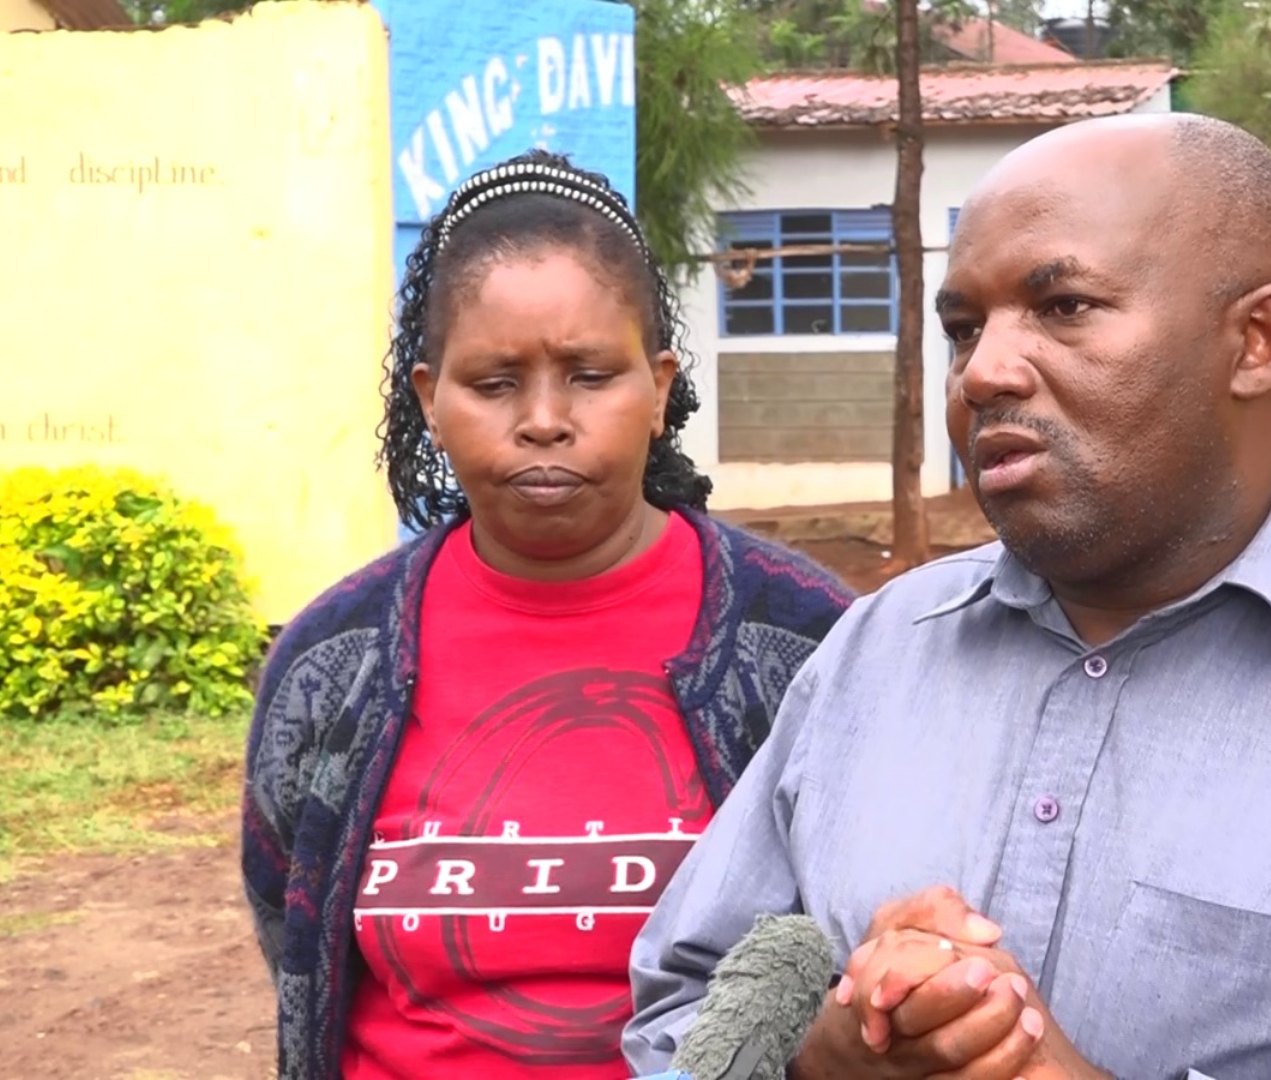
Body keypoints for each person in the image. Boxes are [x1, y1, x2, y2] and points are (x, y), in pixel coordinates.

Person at [624, 114, 1271, 1080]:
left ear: (1256, 341)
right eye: (962, 328)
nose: (984, 372)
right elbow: (677, 1010)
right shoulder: (875, 653)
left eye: (1063, 305)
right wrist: (827, 1055)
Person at [240, 149, 855, 1080]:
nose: (542, 419)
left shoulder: (809, 642)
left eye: (590, 375)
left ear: (658, 390)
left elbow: (856, 928)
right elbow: (295, 923)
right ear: (429, 401)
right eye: (493, 383)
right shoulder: (333, 659)